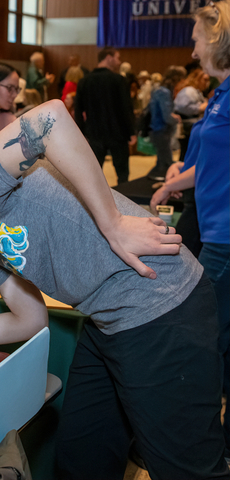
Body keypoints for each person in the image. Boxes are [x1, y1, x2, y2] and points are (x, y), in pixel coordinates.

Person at [0, 99, 227, 480]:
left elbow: (49, 118)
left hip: (161, 305)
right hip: (109, 318)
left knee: (185, 468)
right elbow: (29, 320)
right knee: (82, 456)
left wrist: (113, 222)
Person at [151, 0, 230, 458]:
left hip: (224, 236)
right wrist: (186, 167)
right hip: (214, 229)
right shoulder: (219, 92)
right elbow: (210, 159)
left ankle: (200, 446)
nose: (193, 48)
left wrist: (174, 182)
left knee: (203, 340)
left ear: (218, 38)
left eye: (198, 37)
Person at [75, 47, 136, 185]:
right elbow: (126, 108)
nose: (119, 62)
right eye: (118, 57)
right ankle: (123, 202)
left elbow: (78, 110)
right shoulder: (119, 80)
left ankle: (91, 204)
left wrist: (81, 132)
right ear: (109, 57)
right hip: (118, 133)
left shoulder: (85, 81)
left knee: (93, 174)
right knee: (122, 174)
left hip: (94, 133)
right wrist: (131, 132)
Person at [146, 66, 186, 181]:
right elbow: (166, 116)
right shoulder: (164, 92)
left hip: (157, 129)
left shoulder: (159, 89)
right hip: (161, 129)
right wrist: (177, 120)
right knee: (167, 162)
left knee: (161, 161)